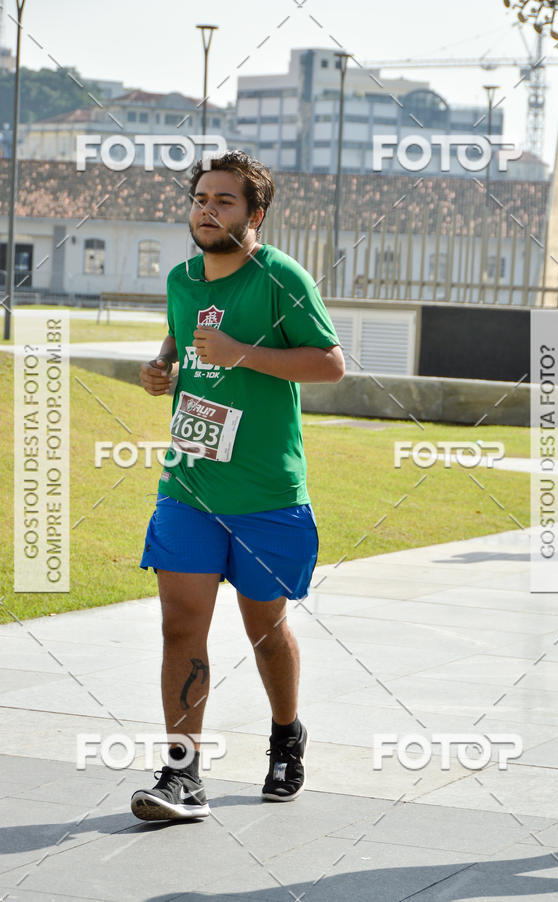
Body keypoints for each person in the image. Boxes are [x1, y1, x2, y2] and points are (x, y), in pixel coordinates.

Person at [130, 151, 345, 821]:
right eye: (200, 197)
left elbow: (330, 364)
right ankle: (182, 774)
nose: (207, 209)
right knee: (179, 627)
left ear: (256, 214)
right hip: (189, 486)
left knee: (265, 630)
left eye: (223, 200)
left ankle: (286, 735)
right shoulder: (182, 279)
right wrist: (162, 366)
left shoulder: (282, 278)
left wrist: (241, 355)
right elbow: (180, 337)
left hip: (266, 494)